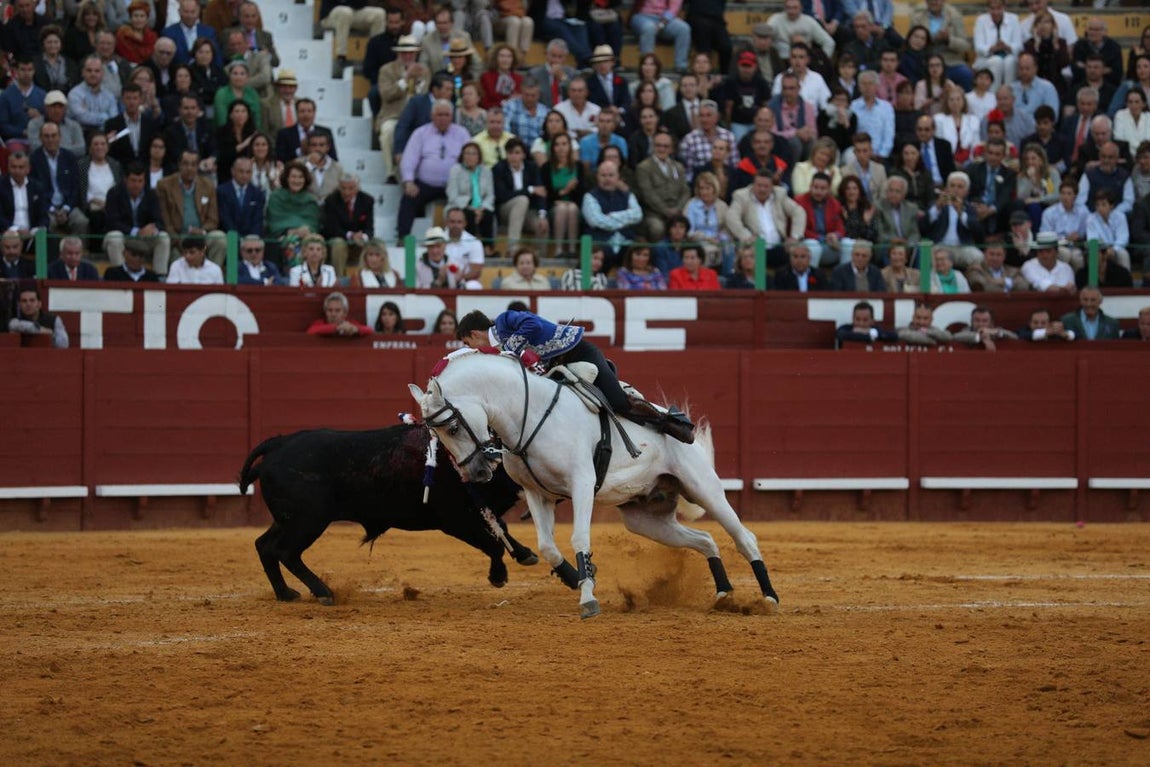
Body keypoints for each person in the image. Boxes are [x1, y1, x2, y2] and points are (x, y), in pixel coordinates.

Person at [456, 306, 695, 440]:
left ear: (475, 333)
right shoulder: (499, 349)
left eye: (468, 342)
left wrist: (512, 347)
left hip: (579, 352)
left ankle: (670, 422)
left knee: (618, 402)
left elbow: (534, 325)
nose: (471, 349)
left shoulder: (505, 321)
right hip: (556, 367)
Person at [398, 99, 471, 240]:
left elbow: (471, 157)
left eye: (446, 115)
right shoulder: (420, 133)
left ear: (452, 116)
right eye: (439, 115)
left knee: (470, 202)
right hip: (426, 184)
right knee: (408, 199)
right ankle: (403, 238)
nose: (443, 118)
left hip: (455, 185)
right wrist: (408, 181)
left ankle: (467, 241)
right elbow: (409, 159)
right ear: (432, 116)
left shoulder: (462, 133)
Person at [156, 149, 226, 265]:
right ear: (179, 165)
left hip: (201, 235)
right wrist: (179, 240)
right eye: (186, 164)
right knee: (177, 259)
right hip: (179, 238)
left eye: (193, 164)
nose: (189, 168)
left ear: (198, 166)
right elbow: (166, 221)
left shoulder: (208, 185)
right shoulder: (164, 185)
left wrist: (202, 231)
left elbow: (213, 220)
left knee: (220, 238)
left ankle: (212, 277)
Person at [726, 169, 805, 270]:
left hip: (779, 245)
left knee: (796, 256)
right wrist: (746, 236)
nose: (762, 189)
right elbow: (731, 217)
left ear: (772, 187)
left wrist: (795, 236)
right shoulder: (741, 196)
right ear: (753, 184)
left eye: (766, 186)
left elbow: (799, 212)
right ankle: (760, 284)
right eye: (759, 185)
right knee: (759, 271)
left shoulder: (780, 194)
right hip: (756, 245)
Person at [104, 163, 171, 275]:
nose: (137, 185)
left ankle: (160, 277)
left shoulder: (151, 194)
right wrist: (136, 231)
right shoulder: (114, 193)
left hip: (144, 238)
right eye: (133, 180)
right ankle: (122, 277)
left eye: (140, 181)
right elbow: (112, 222)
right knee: (114, 237)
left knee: (163, 237)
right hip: (124, 236)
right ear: (126, 180)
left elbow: (160, 221)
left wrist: (152, 228)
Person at [581, 159, 641, 267]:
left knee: (640, 251)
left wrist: (612, 216)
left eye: (611, 175)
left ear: (618, 177)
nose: (607, 179)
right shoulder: (589, 197)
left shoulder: (627, 195)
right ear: (597, 177)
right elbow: (597, 222)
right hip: (601, 244)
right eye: (603, 175)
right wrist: (626, 218)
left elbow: (637, 215)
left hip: (625, 242)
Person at [492, 138, 548, 255]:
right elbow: (502, 196)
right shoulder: (499, 168)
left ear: (523, 154)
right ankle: (512, 249)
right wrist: (529, 190)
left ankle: (540, 258)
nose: (513, 157)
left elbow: (541, 192)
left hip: (527, 212)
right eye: (510, 153)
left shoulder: (531, 167)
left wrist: (542, 214)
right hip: (505, 210)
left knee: (542, 223)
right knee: (522, 200)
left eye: (517, 153)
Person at [925, 171, 985, 270]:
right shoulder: (937, 205)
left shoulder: (970, 208)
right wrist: (937, 208)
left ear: (966, 191)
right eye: (952, 186)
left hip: (962, 248)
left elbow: (978, 230)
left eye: (960, 187)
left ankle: (972, 281)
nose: (955, 190)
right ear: (947, 188)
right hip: (941, 246)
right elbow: (924, 226)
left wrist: (961, 212)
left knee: (978, 257)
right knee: (928, 254)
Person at [265, 161, 321, 262]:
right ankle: (295, 275)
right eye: (293, 177)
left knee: (314, 244)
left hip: (306, 236)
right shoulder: (276, 197)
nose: (297, 180)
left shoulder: (310, 200)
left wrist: (306, 230)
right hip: (282, 236)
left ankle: (314, 274)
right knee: (292, 242)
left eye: (300, 177)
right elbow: (274, 223)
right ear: (287, 178)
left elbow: (313, 224)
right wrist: (291, 231)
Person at [541, 131, 584, 259]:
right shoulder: (546, 168)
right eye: (557, 145)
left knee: (571, 208)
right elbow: (546, 194)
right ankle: (558, 249)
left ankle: (571, 249)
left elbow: (582, 193)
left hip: (574, 205)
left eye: (564, 144)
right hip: (553, 206)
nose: (561, 148)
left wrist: (571, 193)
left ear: (570, 146)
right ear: (552, 148)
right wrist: (564, 192)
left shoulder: (579, 167)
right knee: (562, 209)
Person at [322, 174, 374, 278]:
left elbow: (369, 228)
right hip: (338, 237)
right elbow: (331, 228)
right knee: (339, 245)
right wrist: (350, 235)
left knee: (372, 244)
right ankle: (338, 279)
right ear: (339, 187)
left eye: (351, 188)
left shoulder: (367, 200)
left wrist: (363, 236)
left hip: (358, 239)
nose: (347, 192)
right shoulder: (331, 200)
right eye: (343, 188)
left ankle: (366, 280)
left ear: (357, 188)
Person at [446, 141, 496, 247]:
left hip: (481, 207)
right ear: (462, 156)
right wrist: (471, 207)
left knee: (488, 215)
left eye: (474, 154)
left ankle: (488, 248)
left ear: (479, 156)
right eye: (467, 153)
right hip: (459, 206)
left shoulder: (486, 171)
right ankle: (470, 246)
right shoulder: (455, 170)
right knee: (468, 215)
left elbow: (490, 195)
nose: (470, 156)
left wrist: (482, 208)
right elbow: (452, 195)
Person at [319, 0, 385, 70]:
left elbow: (360, 4)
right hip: (330, 15)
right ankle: (341, 57)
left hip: (351, 12)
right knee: (345, 12)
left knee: (379, 13)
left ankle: (376, 57)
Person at [630, 0, 691, 74]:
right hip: (642, 16)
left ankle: (681, 66)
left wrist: (662, 24)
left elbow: (674, 7)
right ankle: (648, 65)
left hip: (665, 18)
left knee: (684, 29)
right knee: (649, 28)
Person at [217, 155, 264, 248]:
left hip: (251, 240)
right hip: (230, 238)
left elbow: (257, 220)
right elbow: (225, 219)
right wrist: (239, 239)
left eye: (248, 172)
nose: (244, 175)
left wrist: (251, 239)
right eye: (241, 171)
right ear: (233, 171)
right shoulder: (222, 191)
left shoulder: (257, 193)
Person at [973, 0, 1022, 90]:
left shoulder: (1014, 19)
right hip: (986, 59)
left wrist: (1007, 47)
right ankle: (993, 95)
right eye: (992, 8)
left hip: (1008, 55)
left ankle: (1009, 93)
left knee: (1010, 61)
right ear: (988, 9)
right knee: (996, 61)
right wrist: (993, 48)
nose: (996, 12)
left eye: (999, 8)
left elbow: (1019, 45)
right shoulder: (981, 20)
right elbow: (978, 47)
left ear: (1004, 7)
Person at [1085, 189, 1131, 272]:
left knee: (1124, 254)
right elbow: (1092, 240)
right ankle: (1093, 283)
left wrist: (1114, 249)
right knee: (1093, 254)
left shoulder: (1120, 217)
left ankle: (1127, 283)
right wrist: (1104, 250)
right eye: (1097, 205)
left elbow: (1123, 238)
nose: (1100, 208)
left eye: (1103, 205)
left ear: (1111, 205)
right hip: (1099, 250)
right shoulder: (1091, 219)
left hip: (1116, 250)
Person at [443, 207, 485, 288]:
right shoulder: (439, 240)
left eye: (459, 222)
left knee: (474, 286)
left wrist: (461, 277)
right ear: (446, 223)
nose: (455, 225)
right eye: (452, 222)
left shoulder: (474, 242)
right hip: (442, 280)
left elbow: (476, 272)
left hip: (465, 281)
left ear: (464, 223)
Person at [308, 291, 373, 337]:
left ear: (345, 313)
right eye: (330, 310)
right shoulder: (319, 323)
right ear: (325, 312)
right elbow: (310, 331)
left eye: (337, 310)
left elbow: (370, 330)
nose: (333, 314)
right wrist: (337, 328)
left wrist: (356, 329)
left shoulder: (350, 324)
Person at [480, 44, 522, 111]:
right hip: (491, 113)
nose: (505, 59)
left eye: (509, 56)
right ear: (495, 58)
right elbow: (484, 103)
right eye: (502, 56)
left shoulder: (519, 78)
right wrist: (505, 102)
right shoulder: (486, 77)